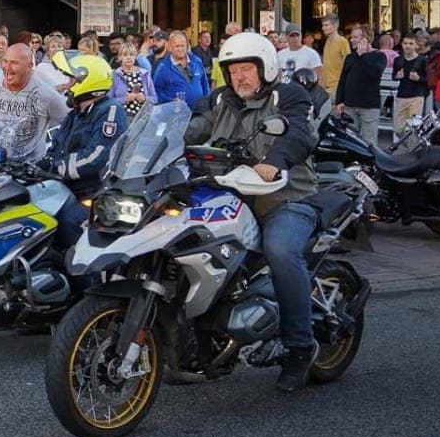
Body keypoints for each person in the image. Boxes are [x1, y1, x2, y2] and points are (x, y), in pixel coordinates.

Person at [186, 31, 318, 393]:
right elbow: (192, 128)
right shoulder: (221, 100)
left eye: (246, 69)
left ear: (265, 67)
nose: (239, 77)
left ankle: (300, 348)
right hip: (232, 198)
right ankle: (201, 339)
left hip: (286, 197)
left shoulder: (288, 95)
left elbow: (299, 134)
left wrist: (276, 160)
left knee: (280, 251)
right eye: (233, 71)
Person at [42, 54, 119, 243]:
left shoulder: (109, 111)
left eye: (72, 80)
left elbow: (97, 157)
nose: (68, 85)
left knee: (68, 221)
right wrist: (38, 164)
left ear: (87, 81)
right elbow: (57, 145)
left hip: (92, 191)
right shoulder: (76, 113)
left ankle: (78, 262)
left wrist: (56, 167)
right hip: (66, 186)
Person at [0, 44, 49, 162]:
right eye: (6, 61)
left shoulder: (43, 93)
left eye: (15, 63)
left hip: (28, 164)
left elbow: (63, 121)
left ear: (29, 67)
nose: (8, 67)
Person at [333, 25, 387, 147]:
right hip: (350, 105)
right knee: (350, 142)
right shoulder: (350, 57)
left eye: (355, 37)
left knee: (369, 142)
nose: (352, 40)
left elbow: (375, 73)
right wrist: (339, 101)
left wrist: (363, 55)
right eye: (351, 37)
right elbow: (343, 79)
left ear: (365, 39)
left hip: (368, 106)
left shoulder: (379, 56)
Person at [153, 31, 210, 107]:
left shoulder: (197, 61)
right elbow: (155, 92)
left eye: (182, 46)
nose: (180, 49)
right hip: (176, 112)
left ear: (187, 46)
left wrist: (207, 103)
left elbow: (205, 85)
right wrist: (170, 101)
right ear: (170, 47)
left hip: (200, 111)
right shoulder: (163, 67)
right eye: (177, 46)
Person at [32, 33, 72, 126]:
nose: (56, 49)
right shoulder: (41, 68)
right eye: (53, 46)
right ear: (48, 50)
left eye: (59, 46)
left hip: (70, 112)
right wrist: (56, 89)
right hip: (51, 117)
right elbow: (36, 93)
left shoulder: (70, 67)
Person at [110, 42, 157, 119]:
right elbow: (108, 101)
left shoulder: (144, 74)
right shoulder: (115, 75)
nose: (128, 57)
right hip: (121, 117)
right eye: (125, 55)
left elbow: (154, 99)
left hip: (143, 117)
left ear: (135, 56)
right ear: (120, 57)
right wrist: (125, 99)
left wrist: (145, 98)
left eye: (131, 54)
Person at [391, 35, 428, 133]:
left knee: (413, 129)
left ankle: (412, 143)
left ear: (416, 45)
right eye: (405, 43)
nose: (408, 46)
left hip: (416, 97)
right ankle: (407, 142)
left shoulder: (422, 60)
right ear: (402, 45)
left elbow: (429, 80)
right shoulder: (398, 60)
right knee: (398, 128)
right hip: (401, 96)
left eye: (411, 44)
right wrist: (397, 76)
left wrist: (418, 79)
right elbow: (393, 76)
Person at [319, 15, 350, 99]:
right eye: (323, 25)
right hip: (325, 86)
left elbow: (348, 64)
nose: (323, 28)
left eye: (326, 25)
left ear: (335, 25)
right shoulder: (327, 41)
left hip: (336, 86)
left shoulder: (342, 42)